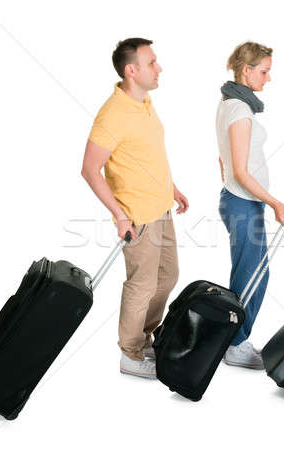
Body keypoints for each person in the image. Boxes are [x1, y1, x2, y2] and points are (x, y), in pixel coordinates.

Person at [81, 38, 189, 379]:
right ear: (132, 70)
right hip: (138, 216)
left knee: (168, 276)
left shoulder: (145, 103)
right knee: (141, 284)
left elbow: (150, 154)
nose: (159, 68)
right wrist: (120, 215)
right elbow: (89, 169)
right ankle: (130, 353)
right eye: (152, 62)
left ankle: (145, 339)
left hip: (161, 208)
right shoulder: (113, 114)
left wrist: (172, 188)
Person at [216, 42, 284, 370]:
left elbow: (224, 162)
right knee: (252, 277)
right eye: (264, 71)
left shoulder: (229, 102)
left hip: (241, 201)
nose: (269, 78)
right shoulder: (239, 109)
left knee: (248, 273)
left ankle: (233, 339)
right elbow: (239, 170)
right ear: (246, 70)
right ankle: (235, 344)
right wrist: (274, 202)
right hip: (244, 204)